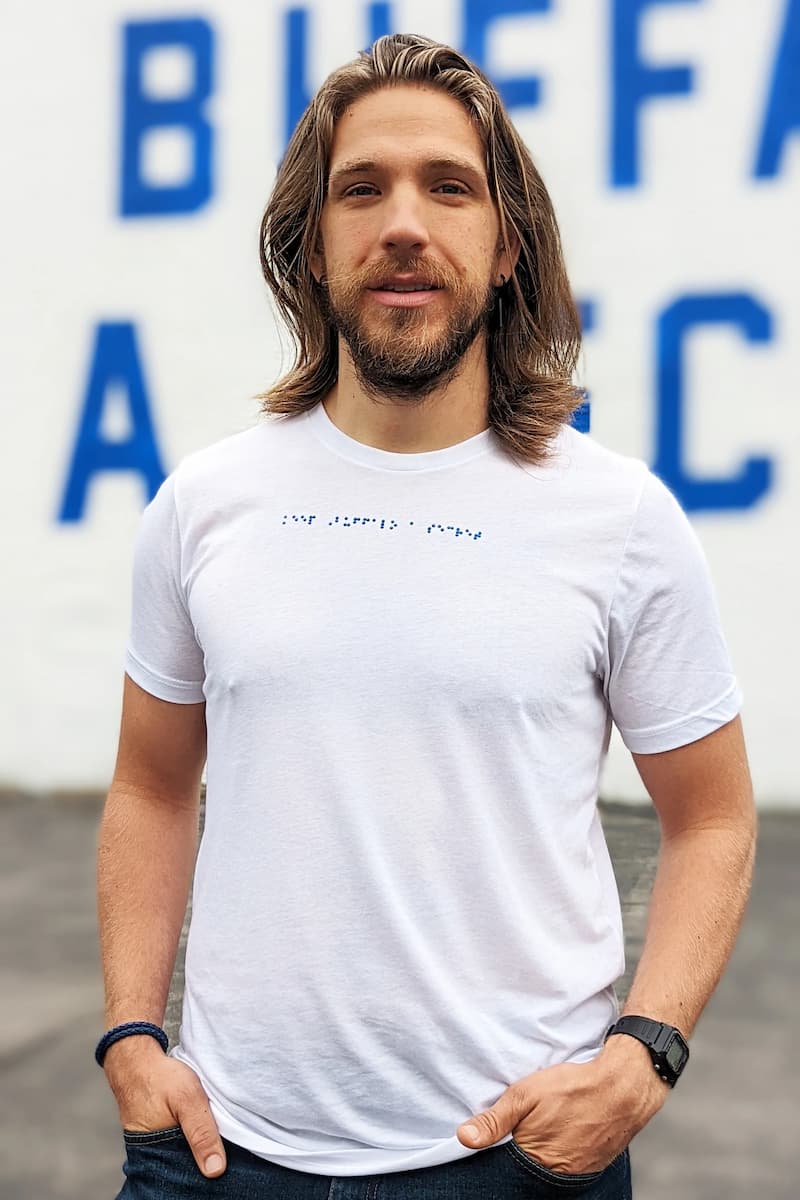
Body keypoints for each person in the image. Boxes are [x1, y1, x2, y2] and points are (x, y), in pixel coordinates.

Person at [96, 32, 757, 1200]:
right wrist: (131, 1037)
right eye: (362, 189)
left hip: (515, 1156)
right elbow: (151, 787)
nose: (404, 222)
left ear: (505, 246)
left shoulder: (619, 519)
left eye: (447, 187)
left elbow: (709, 818)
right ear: (311, 246)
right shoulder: (205, 505)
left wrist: (641, 1058)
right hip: (216, 1155)